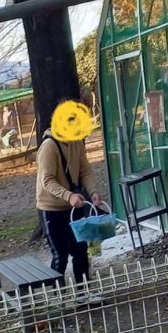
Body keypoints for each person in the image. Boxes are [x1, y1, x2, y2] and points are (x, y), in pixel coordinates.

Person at [36, 104, 102, 288]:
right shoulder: (49, 146)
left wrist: (93, 191)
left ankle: (84, 292)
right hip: (51, 209)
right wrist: (69, 196)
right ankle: (60, 298)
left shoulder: (76, 142)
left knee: (81, 250)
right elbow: (47, 181)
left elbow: (85, 170)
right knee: (60, 255)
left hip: (73, 208)